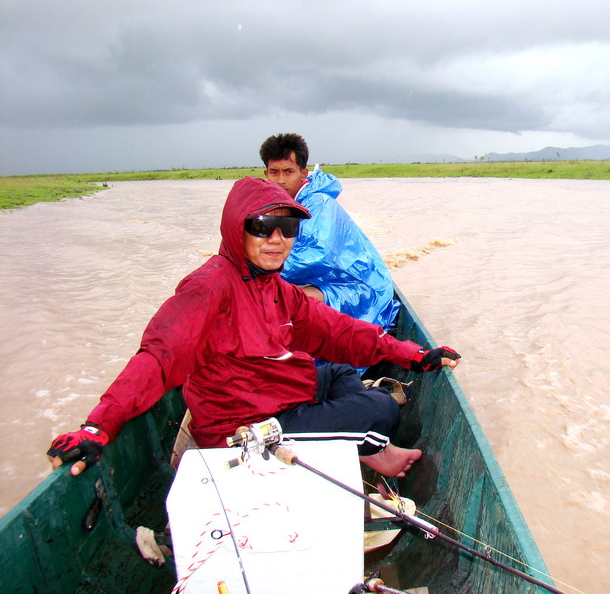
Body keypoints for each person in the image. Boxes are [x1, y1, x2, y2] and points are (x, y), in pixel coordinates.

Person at [47, 177, 460, 479]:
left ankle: (356, 441)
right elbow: (158, 358)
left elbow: (339, 331)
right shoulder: (208, 289)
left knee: (338, 372)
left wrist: (414, 354)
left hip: (275, 395)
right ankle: (370, 448)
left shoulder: (274, 287)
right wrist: (97, 427)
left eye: (289, 228)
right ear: (236, 228)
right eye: (262, 226)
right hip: (240, 427)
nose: (277, 239)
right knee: (382, 407)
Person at [259, 133, 400, 330]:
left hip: (358, 286)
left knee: (279, 296)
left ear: (303, 173)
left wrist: (257, 272)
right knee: (269, 293)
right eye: (274, 172)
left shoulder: (319, 204)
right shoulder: (278, 206)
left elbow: (314, 255)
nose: (280, 180)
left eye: (288, 172)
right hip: (325, 279)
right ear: (266, 174)